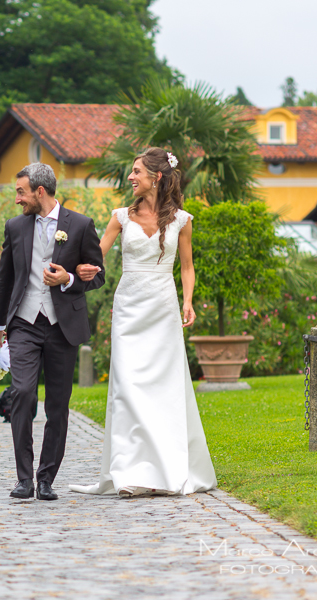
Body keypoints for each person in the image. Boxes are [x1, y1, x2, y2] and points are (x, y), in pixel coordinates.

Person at [69, 147, 216, 497]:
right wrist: (82, 269)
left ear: (156, 177)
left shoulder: (182, 220)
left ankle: (166, 471)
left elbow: (187, 266)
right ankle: (128, 474)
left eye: (137, 171)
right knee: (127, 390)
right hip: (130, 308)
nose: (131, 177)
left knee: (164, 389)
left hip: (163, 308)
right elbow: (96, 258)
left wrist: (189, 301)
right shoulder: (120, 217)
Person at [0, 163, 105, 501]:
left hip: (62, 327)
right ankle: (23, 479)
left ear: (40, 191)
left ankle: (45, 479)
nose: (17, 200)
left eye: (21, 192)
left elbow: (98, 275)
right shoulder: (15, 227)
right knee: (23, 393)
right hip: (24, 323)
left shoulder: (81, 225)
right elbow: (5, 279)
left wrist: (69, 279)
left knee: (58, 405)